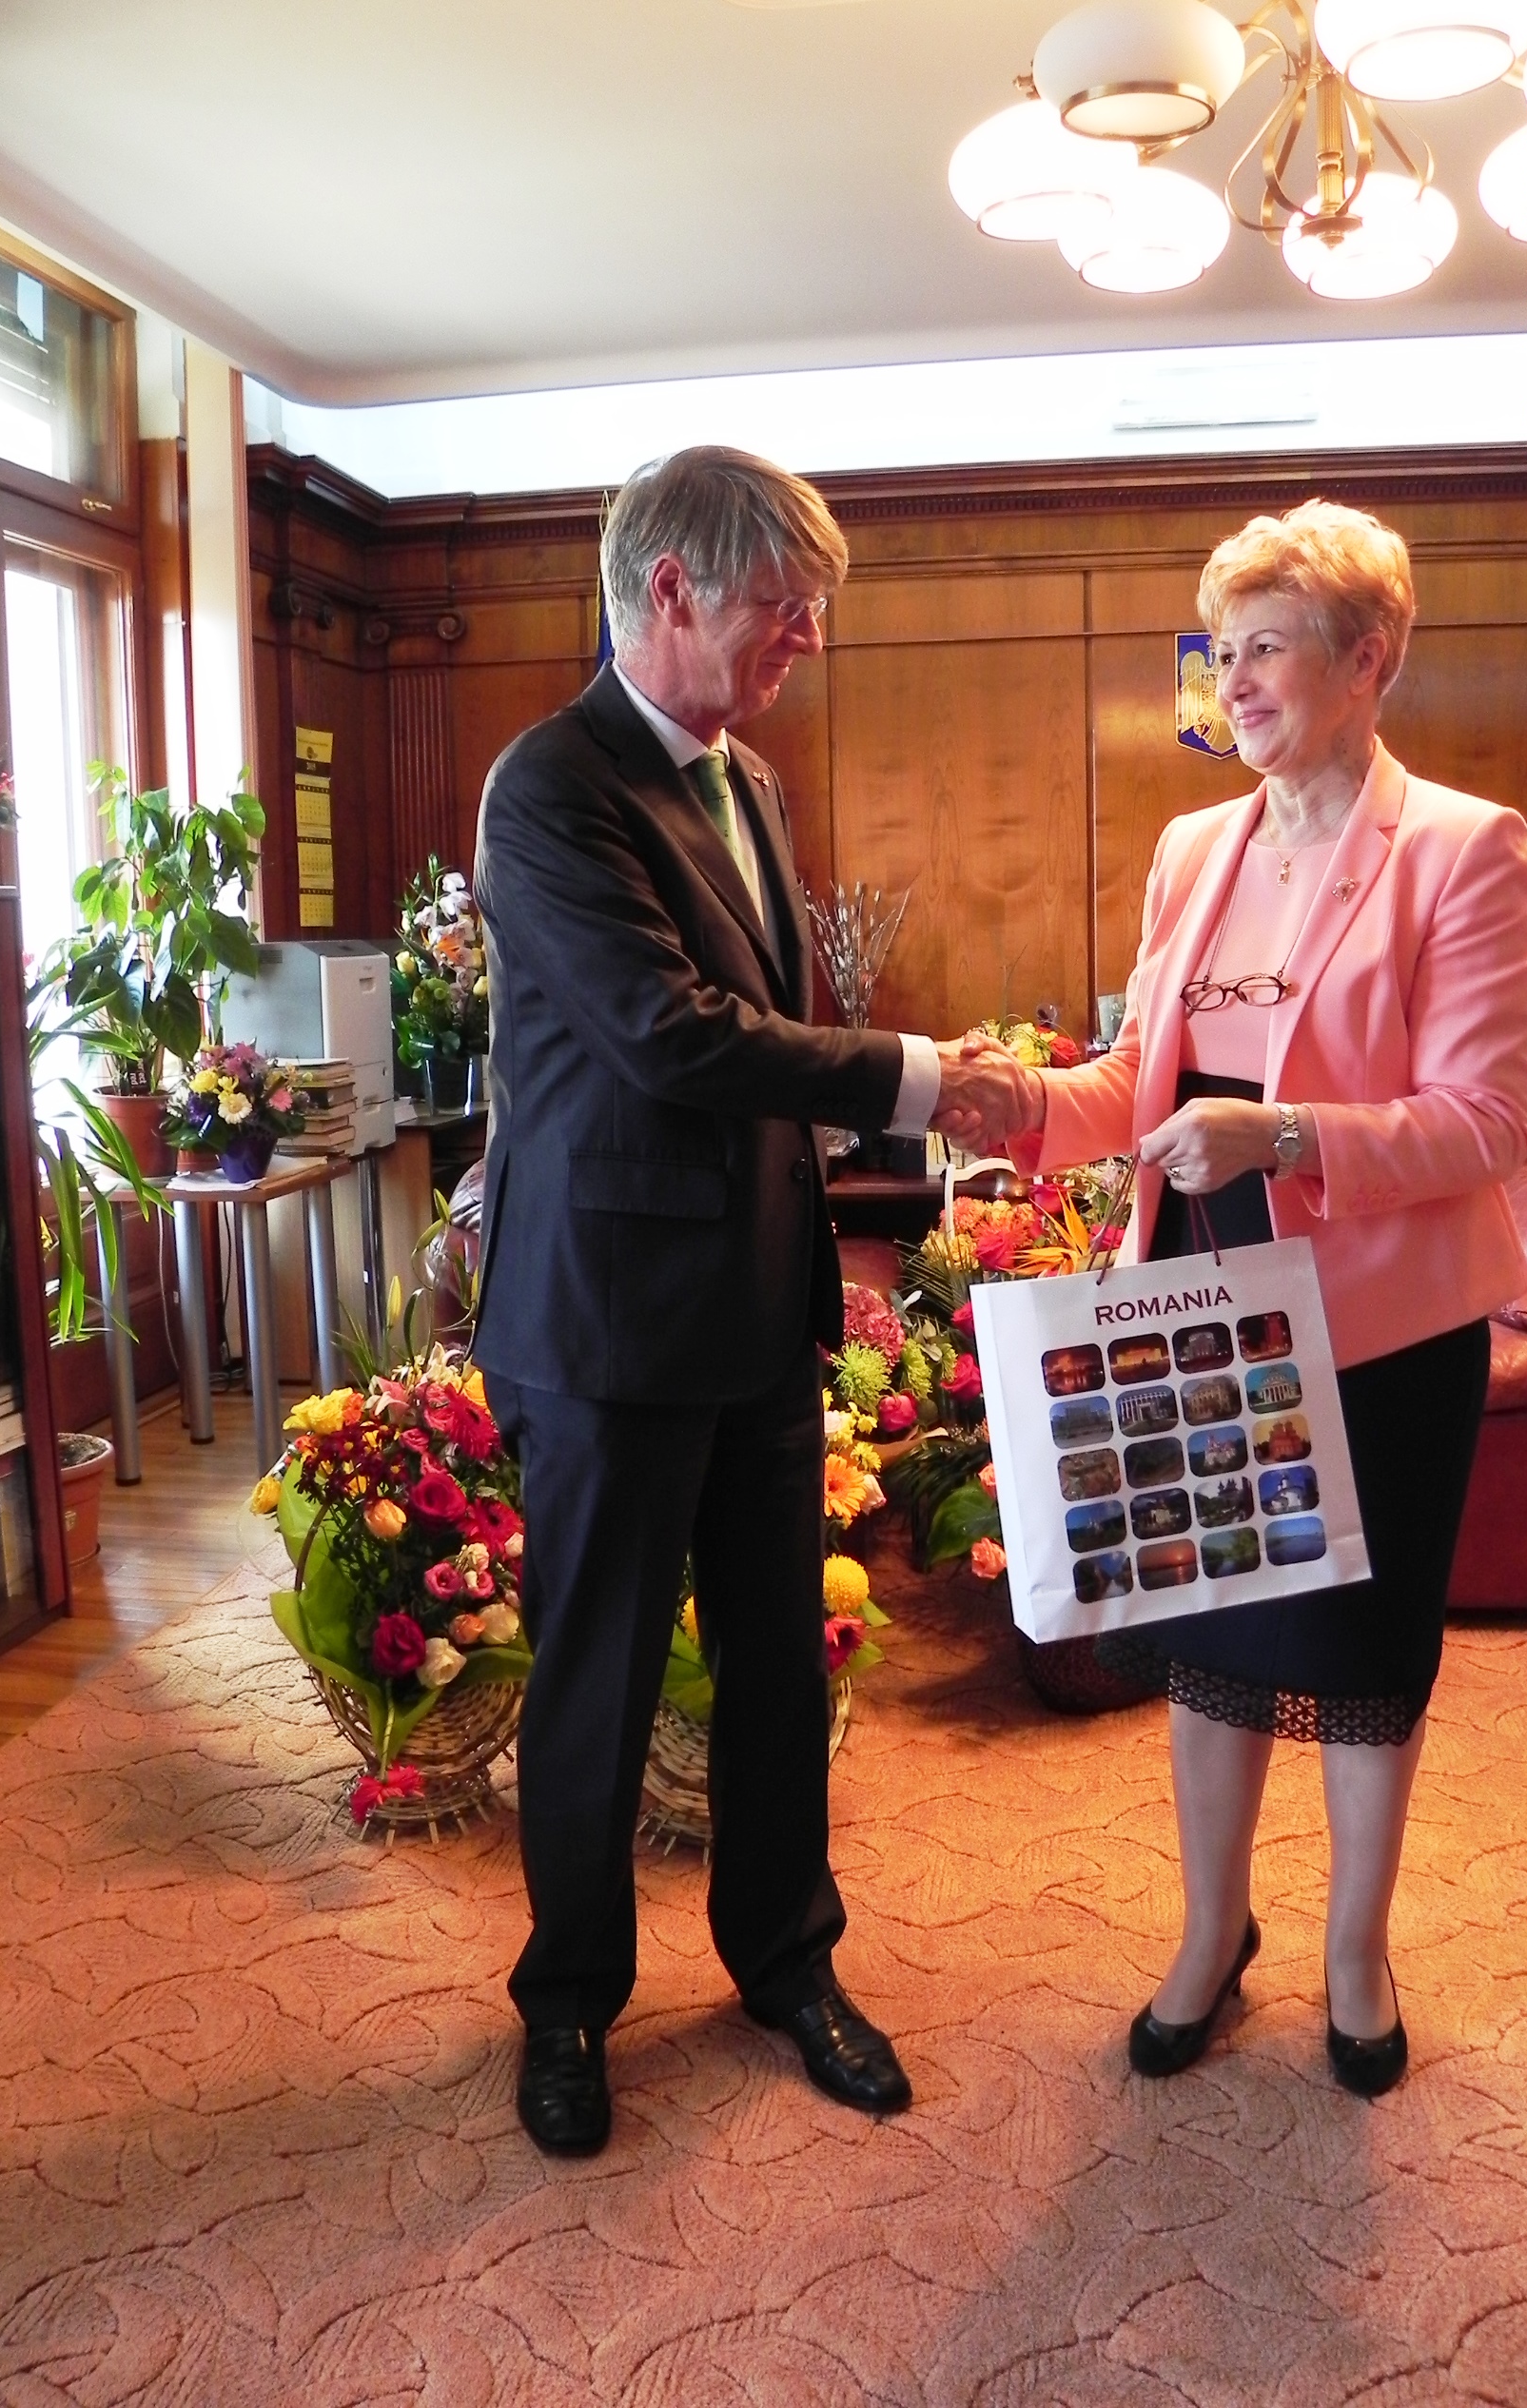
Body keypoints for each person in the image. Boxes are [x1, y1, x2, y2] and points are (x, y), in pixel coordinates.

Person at [470, 445, 1030, 2155]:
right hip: (608, 1325)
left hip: (756, 1310)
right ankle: (569, 2000)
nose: (808, 640)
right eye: (783, 608)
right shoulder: (548, 787)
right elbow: (671, 1037)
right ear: (670, 590)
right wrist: (916, 1078)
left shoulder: (749, 782)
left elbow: (759, 1028)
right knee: (598, 1679)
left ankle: (786, 1962)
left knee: (779, 1669)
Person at [958, 500, 1527, 2096]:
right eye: (1221, 650)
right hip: (1194, 1294)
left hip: (1378, 1324)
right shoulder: (1190, 849)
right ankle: (1212, 1934)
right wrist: (1029, 1104)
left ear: (1370, 659)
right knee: (1207, 1627)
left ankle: (1356, 1955)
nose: (1234, 680)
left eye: (1268, 646)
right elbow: (1141, 1084)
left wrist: (1283, 1136)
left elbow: (1487, 1122)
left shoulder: (1462, 847)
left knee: (1359, 1654)